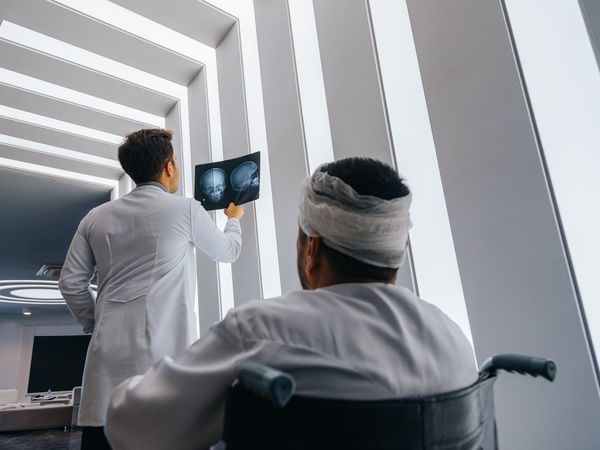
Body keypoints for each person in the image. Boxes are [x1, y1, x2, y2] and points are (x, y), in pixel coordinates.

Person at [104, 157, 477, 450]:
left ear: (311, 248)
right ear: (397, 249)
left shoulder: (261, 332)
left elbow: (134, 427)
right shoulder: (454, 342)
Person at [58, 128, 244, 449]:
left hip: (106, 367)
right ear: (169, 167)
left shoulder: (94, 217)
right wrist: (234, 218)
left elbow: (71, 282)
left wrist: (95, 323)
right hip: (162, 365)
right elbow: (228, 251)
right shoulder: (186, 209)